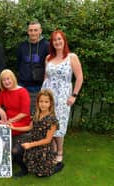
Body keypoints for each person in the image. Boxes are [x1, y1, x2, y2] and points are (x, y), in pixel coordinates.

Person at [42, 30, 83, 163]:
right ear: (52, 43)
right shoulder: (48, 58)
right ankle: (52, 149)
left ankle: (60, 152)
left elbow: (79, 78)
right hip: (47, 97)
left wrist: (74, 95)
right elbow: (46, 77)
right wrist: (41, 95)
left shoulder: (72, 57)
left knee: (59, 124)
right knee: (47, 123)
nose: (57, 42)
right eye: (54, 40)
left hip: (63, 97)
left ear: (64, 40)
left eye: (59, 39)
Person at [10, 89, 64, 177]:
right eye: (41, 101)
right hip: (31, 139)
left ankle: (57, 166)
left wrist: (30, 145)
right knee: (15, 151)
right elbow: (29, 127)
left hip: (42, 146)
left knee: (40, 175)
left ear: (50, 103)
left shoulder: (52, 120)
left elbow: (47, 140)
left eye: (46, 102)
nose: (43, 104)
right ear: (38, 102)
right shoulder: (36, 114)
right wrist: (14, 127)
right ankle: (24, 170)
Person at [17, 21, 49, 111]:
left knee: (35, 113)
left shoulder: (47, 46)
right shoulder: (22, 46)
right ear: (28, 32)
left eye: (35, 30)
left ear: (40, 31)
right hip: (22, 85)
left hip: (38, 86)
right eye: (31, 30)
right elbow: (18, 63)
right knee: (22, 111)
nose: (33, 33)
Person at [0, 69, 31, 144]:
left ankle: (6, 149)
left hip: (22, 122)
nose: (6, 82)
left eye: (8, 79)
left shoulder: (22, 92)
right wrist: (0, 110)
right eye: (3, 80)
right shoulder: (4, 92)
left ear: (13, 78)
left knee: (3, 129)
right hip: (8, 121)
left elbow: (24, 113)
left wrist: (9, 121)